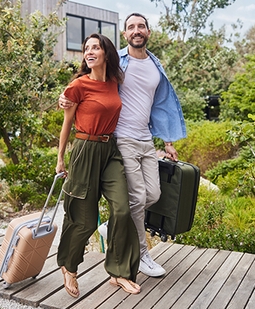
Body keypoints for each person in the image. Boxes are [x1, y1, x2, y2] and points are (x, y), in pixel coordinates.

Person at [59, 13, 187, 278]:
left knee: (153, 195)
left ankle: (111, 225)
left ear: (148, 33)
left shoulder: (155, 64)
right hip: (122, 139)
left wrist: (168, 141)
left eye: (141, 26)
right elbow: (89, 80)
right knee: (137, 199)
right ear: (124, 34)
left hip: (146, 139)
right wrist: (65, 97)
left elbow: (159, 105)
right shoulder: (116, 61)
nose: (136, 31)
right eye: (131, 27)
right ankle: (142, 255)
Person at [55, 33, 141, 298]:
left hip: (110, 151)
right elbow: (66, 123)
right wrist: (60, 158)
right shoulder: (78, 86)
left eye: (96, 47)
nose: (90, 51)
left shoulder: (115, 82)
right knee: (84, 218)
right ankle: (69, 267)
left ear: (106, 53)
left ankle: (119, 272)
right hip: (85, 150)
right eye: (86, 48)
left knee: (122, 210)